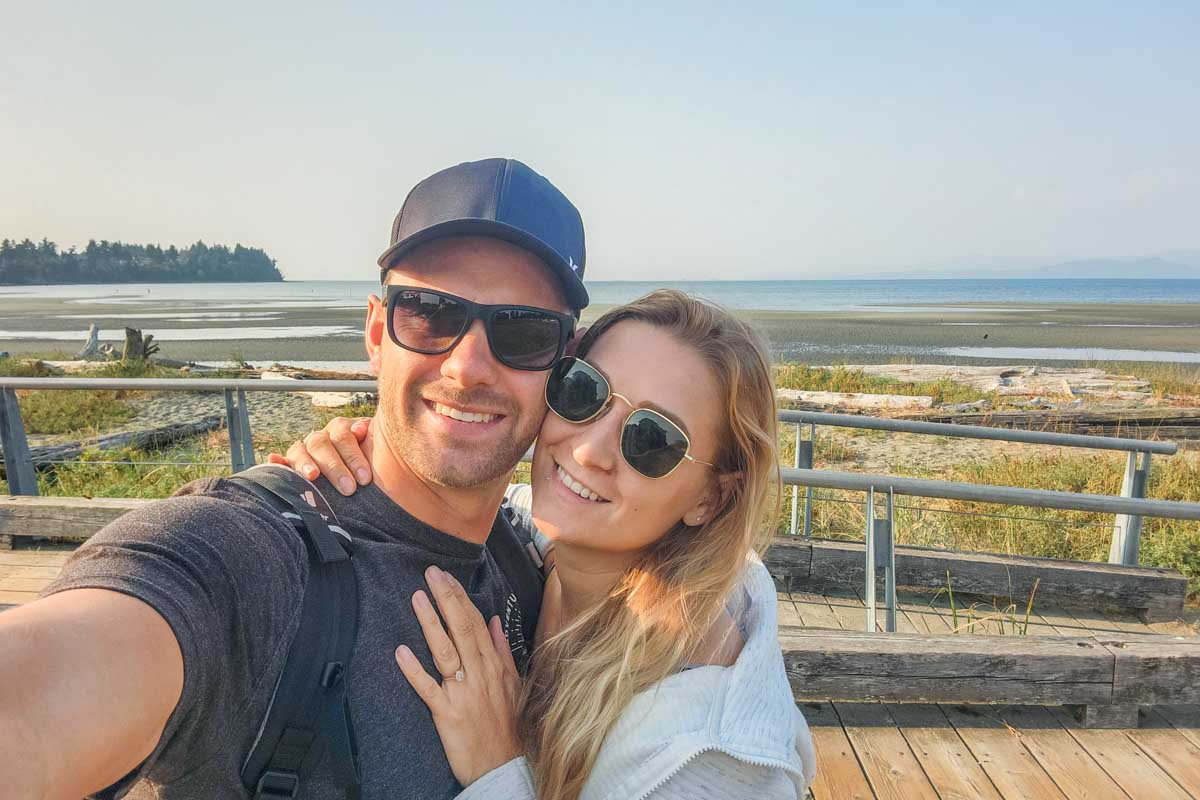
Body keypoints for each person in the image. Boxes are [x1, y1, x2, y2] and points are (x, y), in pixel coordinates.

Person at [0, 157, 590, 799]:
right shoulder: (250, 557)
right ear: (375, 332)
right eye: (429, 313)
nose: (469, 366)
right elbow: (47, 686)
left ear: (564, 362)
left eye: (524, 332)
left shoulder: (529, 556)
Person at [279, 290, 817, 798]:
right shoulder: (552, 548)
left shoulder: (708, 759)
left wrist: (499, 772)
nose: (588, 451)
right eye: (583, 392)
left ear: (711, 499)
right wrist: (372, 452)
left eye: (651, 440)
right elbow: (487, 497)